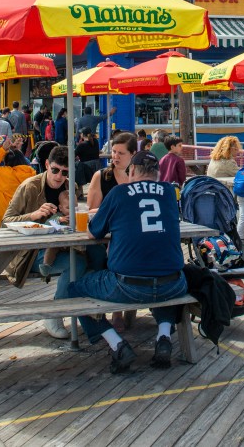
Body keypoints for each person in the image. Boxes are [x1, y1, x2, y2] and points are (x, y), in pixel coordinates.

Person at [64, 150, 187, 373]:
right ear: (158, 173)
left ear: (131, 171)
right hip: (174, 284)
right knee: (163, 280)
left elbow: (94, 233)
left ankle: (117, 345)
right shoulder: (170, 192)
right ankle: (163, 336)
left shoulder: (120, 193)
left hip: (128, 286)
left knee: (74, 290)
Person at [2, 146, 81, 339]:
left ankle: (86, 313)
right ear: (46, 165)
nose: (59, 176)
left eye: (64, 172)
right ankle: (55, 314)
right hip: (30, 253)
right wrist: (34, 215)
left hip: (62, 246)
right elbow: (6, 220)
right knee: (77, 264)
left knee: (89, 261)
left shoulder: (72, 187)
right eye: (55, 170)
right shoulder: (30, 187)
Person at [84, 131, 138, 334]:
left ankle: (119, 309)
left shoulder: (139, 177)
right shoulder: (102, 176)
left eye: (121, 153)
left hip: (131, 236)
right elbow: (91, 210)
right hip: (104, 236)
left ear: (133, 154)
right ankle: (111, 310)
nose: (115, 156)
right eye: (113, 152)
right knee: (101, 259)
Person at [0, 135, 36, 226]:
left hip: (1, 220)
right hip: (22, 220)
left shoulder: (6, 173)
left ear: (7, 163)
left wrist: (2, 150)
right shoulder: (32, 174)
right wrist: (16, 151)